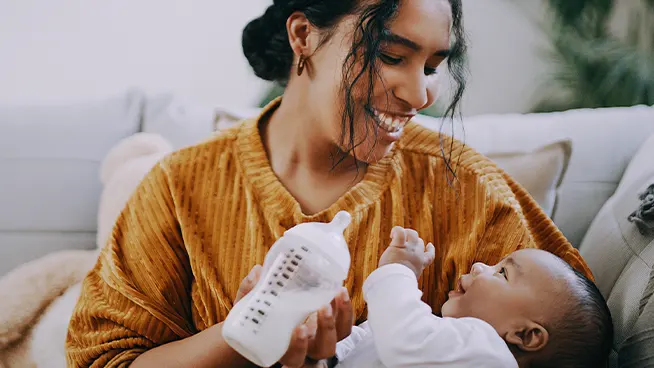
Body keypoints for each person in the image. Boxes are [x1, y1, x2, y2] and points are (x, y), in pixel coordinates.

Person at [66, 0, 593, 367]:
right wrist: (249, 335)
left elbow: (575, 337)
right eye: (391, 56)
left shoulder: (466, 188)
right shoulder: (179, 188)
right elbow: (107, 360)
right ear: (303, 35)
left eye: (432, 65)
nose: (420, 93)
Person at [329, 227, 614, 368]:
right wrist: (331, 349)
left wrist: (398, 271)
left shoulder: (490, 356)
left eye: (502, 273)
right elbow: (375, 338)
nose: (479, 266)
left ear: (526, 335)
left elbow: (403, 340)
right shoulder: (444, 335)